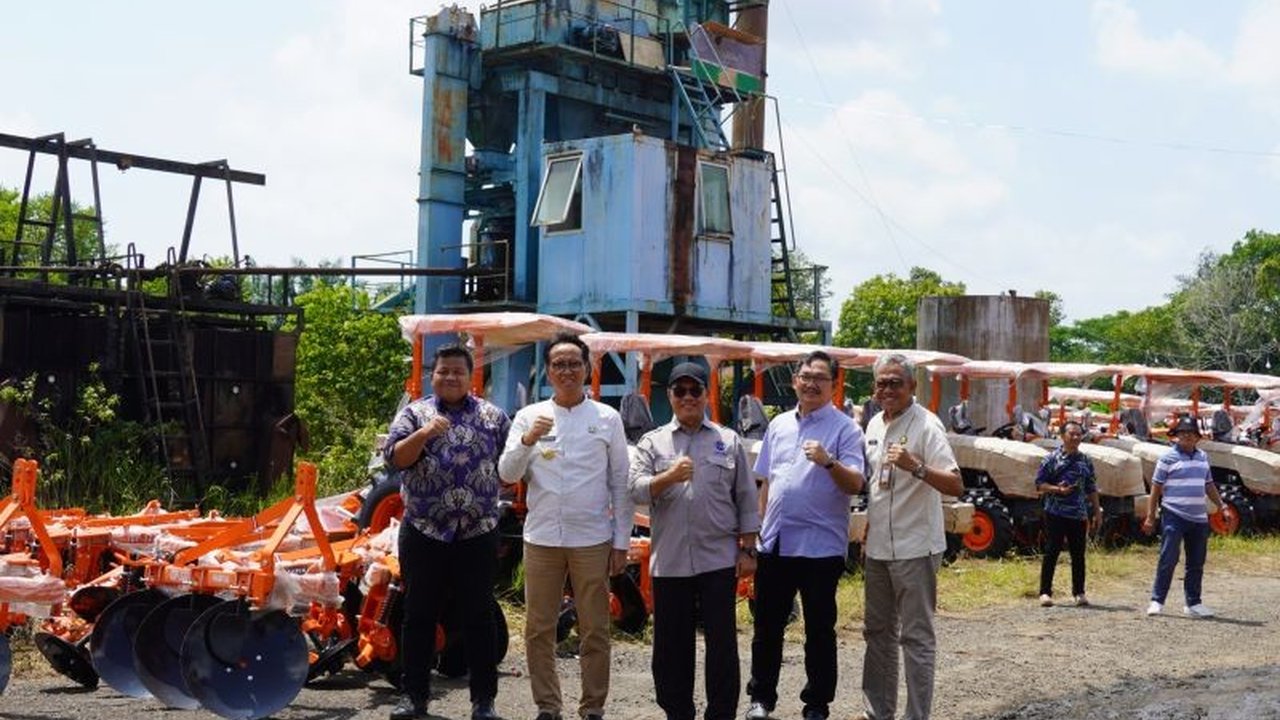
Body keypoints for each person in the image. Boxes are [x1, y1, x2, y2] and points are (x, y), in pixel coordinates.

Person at [498, 333, 633, 720]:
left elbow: (620, 484)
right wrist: (527, 439)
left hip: (592, 538)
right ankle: (548, 706)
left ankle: (592, 707)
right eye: (559, 364)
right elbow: (506, 473)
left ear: (587, 369)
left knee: (594, 628)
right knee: (539, 628)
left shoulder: (607, 419)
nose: (567, 370)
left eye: (574, 363)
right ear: (549, 372)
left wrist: (621, 542)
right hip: (541, 538)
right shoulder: (529, 417)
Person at [382, 344, 512, 720]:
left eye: (458, 371)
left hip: (478, 531)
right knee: (419, 615)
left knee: (479, 616)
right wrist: (423, 434)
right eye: (443, 371)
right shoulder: (414, 414)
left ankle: (483, 702)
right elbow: (396, 458)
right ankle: (414, 698)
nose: (450, 377)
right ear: (432, 376)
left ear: (471, 377)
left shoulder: (492, 416)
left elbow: (514, 463)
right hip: (424, 530)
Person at [629, 362, 760, 720]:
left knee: (722, 645)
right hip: (670, 560)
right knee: (671, 645)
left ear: (706, 395)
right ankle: (678, 711)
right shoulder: (652, 442)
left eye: (695, 390)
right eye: (680, 391)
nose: (688, 397)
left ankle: (721, 713)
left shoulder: (727, 440)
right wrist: (667, 477)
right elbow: (635, 490)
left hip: (717, 558)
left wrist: (749, 549)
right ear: (669, 396)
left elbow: (746, 498)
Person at [745, 350, 865, 720]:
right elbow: (767, 481)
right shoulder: (779, 424)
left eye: (820, 378)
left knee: (819, 629)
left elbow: (856, 483)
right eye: (806, 376)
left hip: (820, 546)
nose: (811, 383)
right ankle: (761, 698)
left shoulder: (846, 429)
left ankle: (816, 703)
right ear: (795, 380)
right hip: (776, 542)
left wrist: (829, 461)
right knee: (767, 627)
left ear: (833, 384)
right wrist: (760, 530)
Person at [859, 353, 963, 720]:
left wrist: (915, 466)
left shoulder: (927, 426)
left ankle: (916, 716)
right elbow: (875, 486)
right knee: (877, 633)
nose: (887, 390)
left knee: (916, 638)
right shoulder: (872, 424)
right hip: (878, 550)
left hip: (915, 547)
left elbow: (955, 484)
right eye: (882, 383)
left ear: (912, 386)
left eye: (895, 383)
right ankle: (878, 712)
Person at [1142, 414, 1225, 618]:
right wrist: (1150, 516)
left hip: (1199, 517)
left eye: (1191, 433)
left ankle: (1193, 603)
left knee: (1196, 562)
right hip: (1174, 514)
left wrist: (1221, 505)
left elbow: (1208, 485)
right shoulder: (1167, 458)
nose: (1187, 436)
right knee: (1168, 558)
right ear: (1176, 436)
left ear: (1197, 437)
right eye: (1182, 433)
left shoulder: (1203, 457)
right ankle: (1157, 600)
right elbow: (1156, 489)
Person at [1035, 420, 1102, 607]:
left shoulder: (1085, 460)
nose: (1075, 437)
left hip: (1079, 514)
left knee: (1078, 554)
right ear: (1062, 436)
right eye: (1071, 434)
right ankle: (1045, 592)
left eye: (1078, 434)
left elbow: (1091, 487)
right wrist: (1058, 489)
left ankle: (1079, 592)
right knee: (1052, 552)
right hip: (1055, 513)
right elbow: (1040, 485)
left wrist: (1097, 511)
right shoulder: (1051, 459)